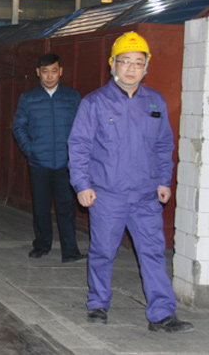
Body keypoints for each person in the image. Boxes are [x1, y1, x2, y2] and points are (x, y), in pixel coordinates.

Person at [68, 31, 194, 332]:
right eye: (125, 61)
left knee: (153, 253)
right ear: (112, 64)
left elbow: (163, 145)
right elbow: (79, 146)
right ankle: (98, 303)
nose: (131, 68)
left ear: (146, 66)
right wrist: (82, 185)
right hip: (107, 194)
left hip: (145, 195)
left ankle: (161, 314)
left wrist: (164, 180)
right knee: (103, 251)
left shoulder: (155, 102)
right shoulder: (95, 103)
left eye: (138, 62)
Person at [12, 53, 85, 263]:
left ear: (61, 71)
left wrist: (75, 155)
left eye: (54, 71)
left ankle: (70, 251)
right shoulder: (28, 98)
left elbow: (82, 127)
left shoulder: (72, 97)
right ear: (38, 73)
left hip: (65, 162)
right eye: (45, 71)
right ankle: (42, 245)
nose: (50, 76)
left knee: (66, 207)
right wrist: (31, 150)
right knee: (41, 206)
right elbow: (19, 127)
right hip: (39, 162)